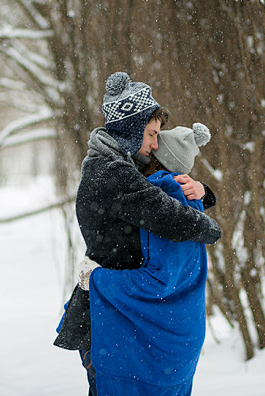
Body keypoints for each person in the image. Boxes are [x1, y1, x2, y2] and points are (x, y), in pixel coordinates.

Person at [54, 72, 221, 396]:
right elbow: (170, 216)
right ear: (131, 128)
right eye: (151, 133)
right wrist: (211, 229)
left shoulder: (114, 166)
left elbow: (160, 197)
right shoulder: (112, 173)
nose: (154, 144)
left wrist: (203, 192)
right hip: (109, 320)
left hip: (118, 318)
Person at [80, 123, 214, 396]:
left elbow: (158, 283)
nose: (148, 147)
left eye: (155, 141)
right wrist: (204, 192)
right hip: (177, 349)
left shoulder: (164, 197)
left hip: (150, 353)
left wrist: (94, 278)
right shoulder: (186, 202)